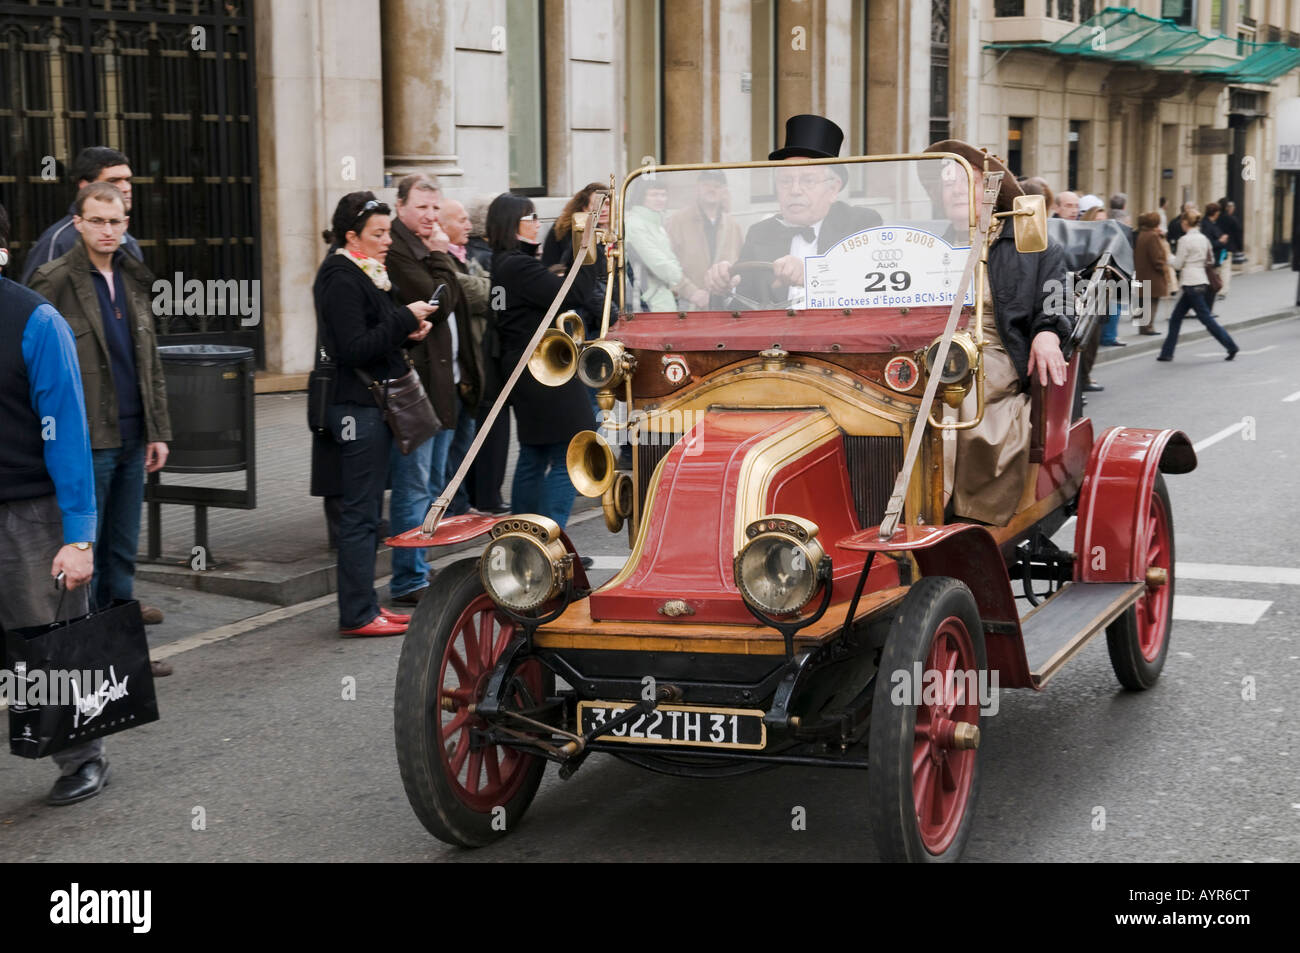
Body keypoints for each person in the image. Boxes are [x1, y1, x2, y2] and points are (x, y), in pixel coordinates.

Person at [28, 184, 174, 677]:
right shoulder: (53, 280)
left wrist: (159, 430)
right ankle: (81, 662)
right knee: (80, 556)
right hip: (87, 442)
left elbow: (148, 361)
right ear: (78, 223)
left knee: (121, 555)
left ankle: (124, 658)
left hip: (135, 440)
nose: (108, 231)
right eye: (97, 221)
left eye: (116, 221)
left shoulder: (133, 277)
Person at [0, 202, 112, 805]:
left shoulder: (36, 321)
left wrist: (79, 536)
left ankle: (82, 758)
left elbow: (67, 434)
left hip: (29, 513)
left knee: (45, 643)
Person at [925, 141, 1070, 526]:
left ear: (991, 190)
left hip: (993, 349)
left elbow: (1056, 300)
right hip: (925, 348)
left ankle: (932, 510)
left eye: (966, 181)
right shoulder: (922, 244)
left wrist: (1047, 333)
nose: (954, 190)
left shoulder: (1031, 243)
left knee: (948, 394)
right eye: (947, 183)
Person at [313, 191, 435, 635]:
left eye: (387, 231)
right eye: (377, 233)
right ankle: (358, 613)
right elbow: (351, 349)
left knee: (366, 515)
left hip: (372, 405)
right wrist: (404, 318)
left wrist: (408, 332)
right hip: (358, 408)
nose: (387, 240)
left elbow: (375, 338)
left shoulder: (367, 272)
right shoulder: (340, 277)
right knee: (361, 516)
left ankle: (365, 607)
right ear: (352, 236)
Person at [380, 174, 476, 605]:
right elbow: (440, 301)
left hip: (444, 384)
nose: (430, 216)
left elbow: (450, 296)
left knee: (435, 483)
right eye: (422, 207)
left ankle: (419, 565)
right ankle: (407, 580)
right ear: (400, 206)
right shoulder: (400, 250)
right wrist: (441, 257)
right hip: (417, 387)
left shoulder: (426, 247)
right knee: (414, 485)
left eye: (435, 208)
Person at [488, 193, 601, 528]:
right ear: (513, 225)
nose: (539, 224)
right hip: (541, 371)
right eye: (532, 217)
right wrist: (589, 251)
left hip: (522, 368)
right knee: (574, 451)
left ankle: (523, 536)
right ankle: (549, 541)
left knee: (534, 454)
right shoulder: (518, 266)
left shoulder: (505, 263)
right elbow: (573, 294)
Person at [705, 115, 881, 307]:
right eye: (786, 181)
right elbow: (744, 307)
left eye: (808, 180)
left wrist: (812, 274)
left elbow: (873, 284)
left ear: (833, 189)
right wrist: (725, 285)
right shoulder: (760, 232)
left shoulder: (860, 223)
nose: (795, 190)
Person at [21, 148, 144, 284]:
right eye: (113, 180)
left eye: (127, 180)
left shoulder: (129, 241)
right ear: (85, 186)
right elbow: (36, 299)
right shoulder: (58, 241)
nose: (126, 187)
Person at [1157, 209, 1238, 363]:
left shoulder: (1185, 240)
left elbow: (1179, 264)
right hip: (1201, 281)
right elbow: (1211, 259)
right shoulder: (1204, 239)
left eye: (1182, 222)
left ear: (1186, 223)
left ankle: (1231, 346)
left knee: (1206, 319)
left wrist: (1168, 258)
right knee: (1176, 318)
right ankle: (1166, 353)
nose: (1181, 224)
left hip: (1190, 283)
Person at [625, 178, 706, 312]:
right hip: (646, 300)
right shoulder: (635, 225)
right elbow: (658, 263)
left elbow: (671, 259)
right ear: (641, 197)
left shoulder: (656, 224)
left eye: (663, 194)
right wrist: (687, 288)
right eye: (654, 195)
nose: (660, 199)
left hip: (665, 295)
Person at [666, 170, 744, 310]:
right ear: (697, 188)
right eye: (706, 184)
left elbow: (741, 264)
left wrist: (733, 282)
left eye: (717, 186)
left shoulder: (733, 226)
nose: (711, 189)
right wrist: (692, 292)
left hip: (724, 307)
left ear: (724, 191)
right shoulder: (677, 221)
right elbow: (667, 263)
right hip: (686, 306)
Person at [1134, 212, 1168, 336]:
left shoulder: (1142, 234)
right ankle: (1148, 327)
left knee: (1145, 301)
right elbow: (1157, 257)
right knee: (1152, 301)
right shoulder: (1152, 236)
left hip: (1143, 273)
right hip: (1152, 274)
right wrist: (1163, 267)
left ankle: (1143, 327)